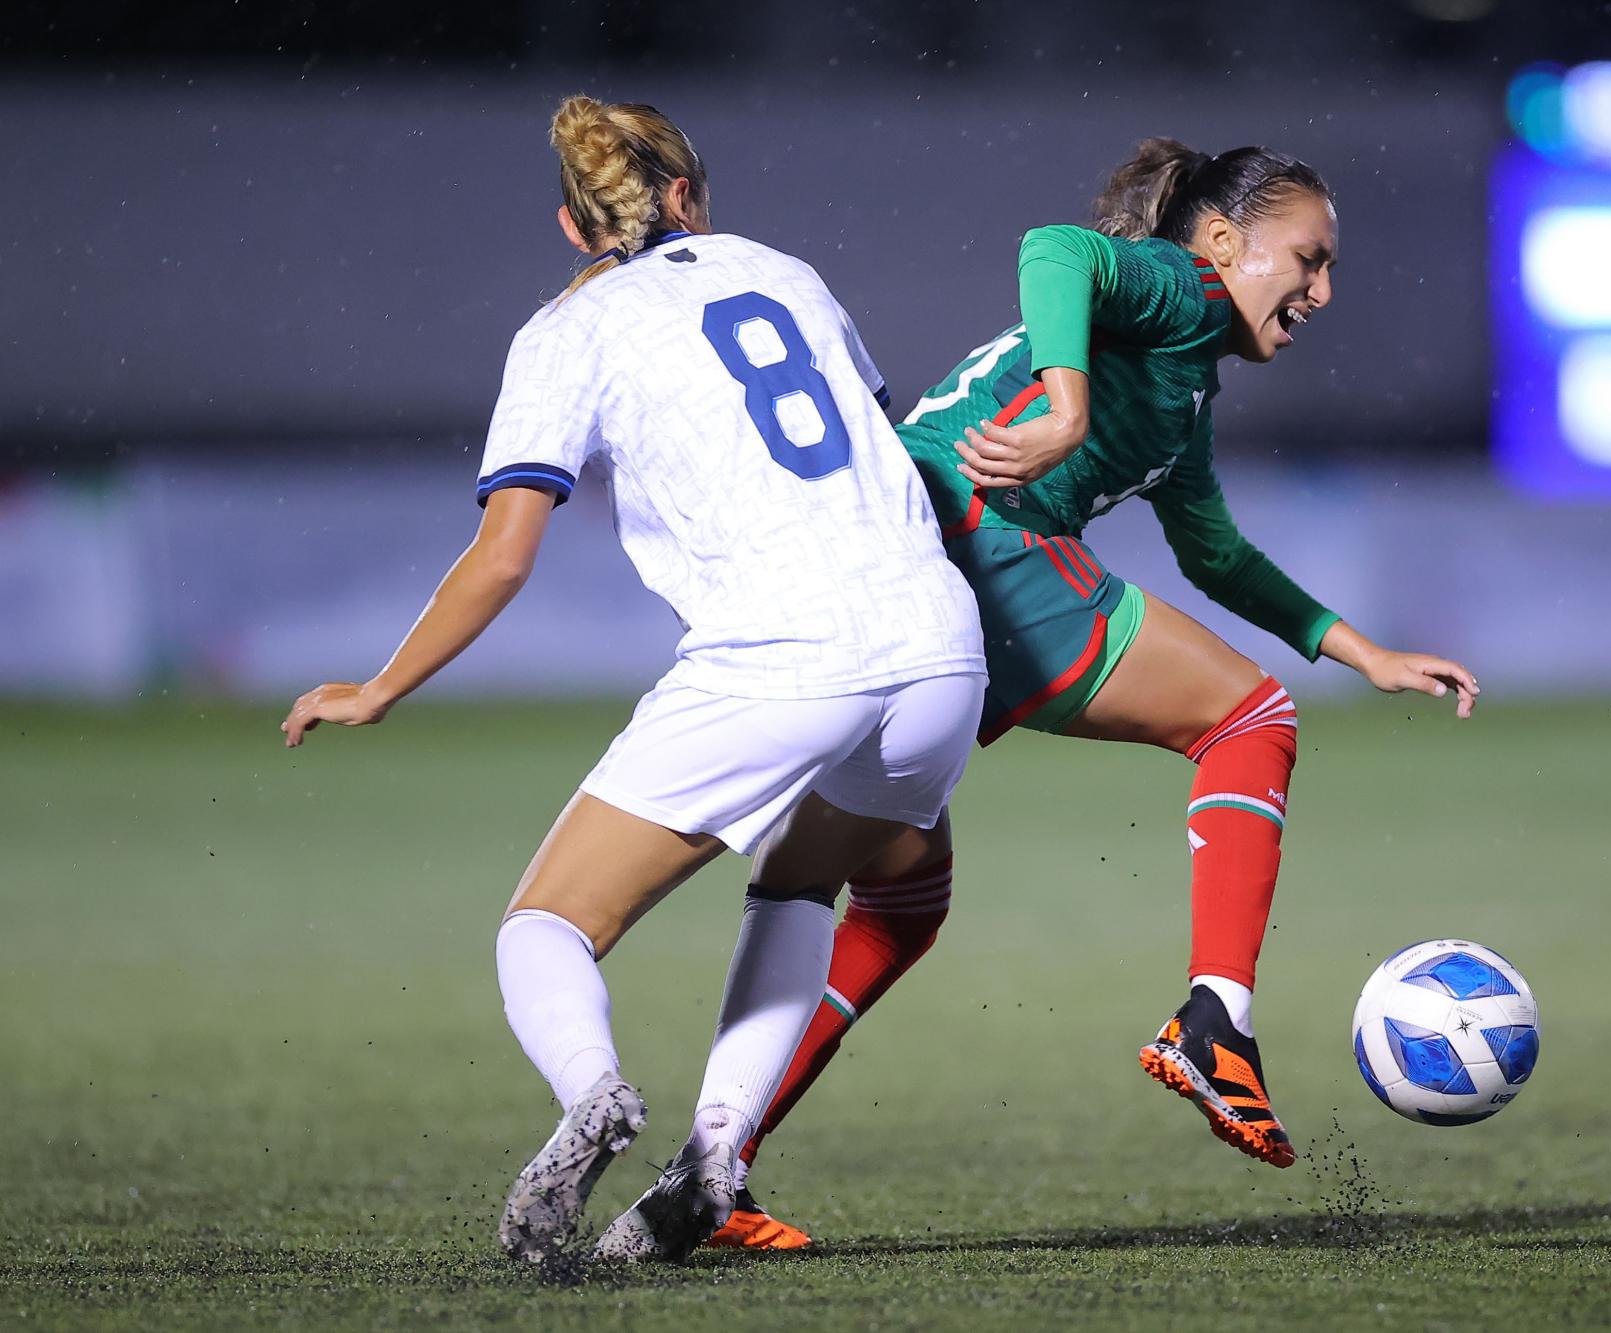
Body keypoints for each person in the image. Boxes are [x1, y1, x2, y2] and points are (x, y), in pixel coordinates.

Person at [709, 139, 1479, 1251]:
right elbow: (1057, 247)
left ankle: (710, 1164)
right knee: (1247, 718)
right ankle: (1214, 1019)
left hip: (895, 562)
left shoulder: (1182, 389)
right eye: (1306, 260)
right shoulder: (1176, 286)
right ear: (1221, 242)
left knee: (894, 904)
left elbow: (1214, 555)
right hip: (975, 539)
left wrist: (1364, 653)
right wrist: (1066, 407)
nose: (1321, 291)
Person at [280, 95, 986, 1267]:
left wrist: (379, 688)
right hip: (936, 642)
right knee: (801, 886)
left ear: (571, 225)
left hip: (777, 651)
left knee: (545, 924)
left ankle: (593, 1093)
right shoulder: (783, 269)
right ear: (687, 196)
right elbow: (882, 442)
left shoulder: (565, 332)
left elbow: (504, 553)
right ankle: (716, 1152)